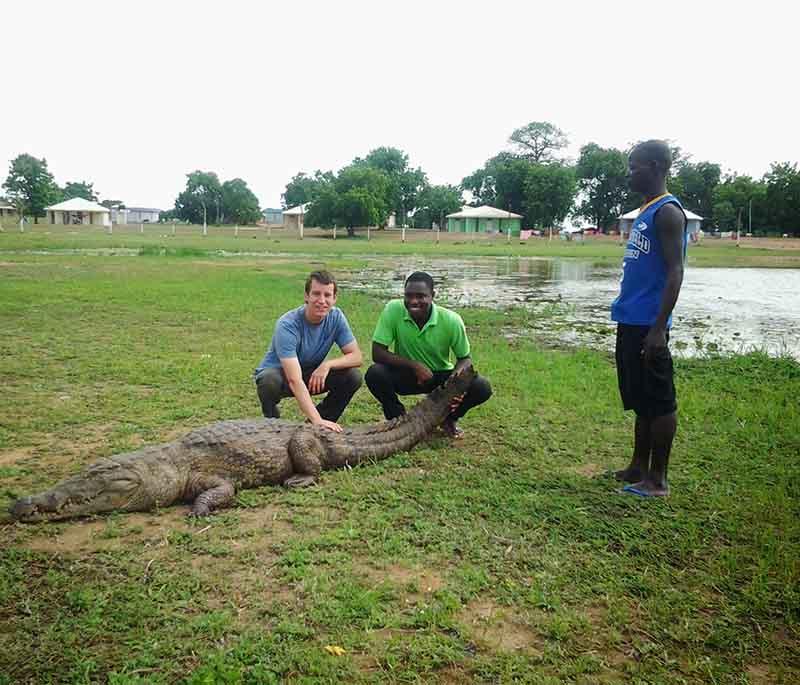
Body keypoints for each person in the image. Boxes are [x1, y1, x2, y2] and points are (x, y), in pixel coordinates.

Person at [611, 140, 688, 497]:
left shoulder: (669, 213)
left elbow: (675, 272)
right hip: (630, 319)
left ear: (655, 166)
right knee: (640, 398)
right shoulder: (646, 210)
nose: (630, 173)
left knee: (659, 401)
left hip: (649, 325)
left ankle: (658, 479)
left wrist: (659, 327)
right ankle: (637, 466)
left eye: (634, 166)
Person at [365, 271, 492, 437]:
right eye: (408, 296)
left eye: (421, 296)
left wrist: (455, 385)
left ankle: (448, 419)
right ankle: (397, 419)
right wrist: (414, 365)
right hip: (407, 375)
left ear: (432, 296)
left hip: (440, 377)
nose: (413, 301)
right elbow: (378, 352)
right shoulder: (393, 310)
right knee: (375, 373)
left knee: (481, 386)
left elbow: (464, 359)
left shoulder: (452, 320)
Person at [254, 270, 363, 433]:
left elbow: (356, 356)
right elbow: (294, 380)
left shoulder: (336, 317)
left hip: (310, 375)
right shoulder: (287, 324)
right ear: (306, 296)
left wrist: (327, 365)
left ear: (335, 298)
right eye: (316, 294)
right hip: (283, 376)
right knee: (268, 380)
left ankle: (318, 425)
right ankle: (272, 422)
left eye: (327, 295)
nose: (322, 301)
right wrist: (316, 419)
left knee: (353, 376)